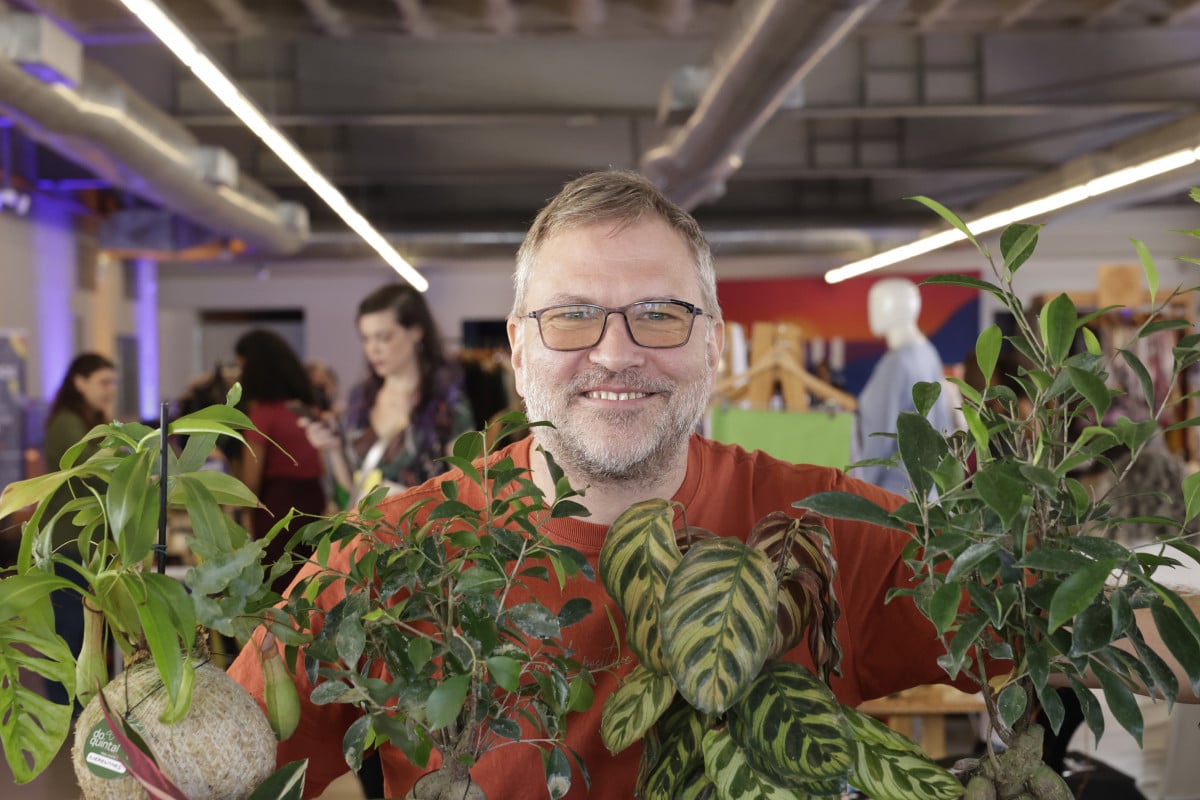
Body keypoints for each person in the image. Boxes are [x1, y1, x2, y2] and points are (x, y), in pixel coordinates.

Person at [227, 170, 1200, 800]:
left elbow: (1080, 620)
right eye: (571, 317)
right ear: (518, 348)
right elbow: (213, 756)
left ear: (713, 343)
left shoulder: (822, 527)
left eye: (659, 313)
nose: (615, 352)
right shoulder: (396, 552)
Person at [300, 282, 474, 509]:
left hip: (424, 540)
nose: (373, 349)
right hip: (368, 538)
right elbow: (353, 490)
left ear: (415, 331)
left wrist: (415, 502)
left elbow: (471, 491)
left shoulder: (448, 404)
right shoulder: (360, 399)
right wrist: (333, 448)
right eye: (366, 338)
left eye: (383, 337)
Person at [42, 352, 117, 709]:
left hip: (84, 543)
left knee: (83, 628)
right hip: (68, 544)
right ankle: (66, 708)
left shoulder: (85, 419)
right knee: (70, 629)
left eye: (112, 382)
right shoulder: (66, 424)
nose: (110, 389)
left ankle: (78, 706)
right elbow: (91, 469)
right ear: (79, 382)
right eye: (103, 381)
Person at [233, 329, 327, 594]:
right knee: (309, 583)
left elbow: (250, 482)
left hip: (277, 507)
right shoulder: (307, 409)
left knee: (277, 588)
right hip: (313, 500)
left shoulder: (262, 415)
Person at [853, 277, 956, 495]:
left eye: (877, 303)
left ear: (895, 308)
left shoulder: (897, 363)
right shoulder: (928, 352)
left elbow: (878, 436)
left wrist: (860, 490)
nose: (871, 311)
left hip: (895, 495)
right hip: (928, 491)